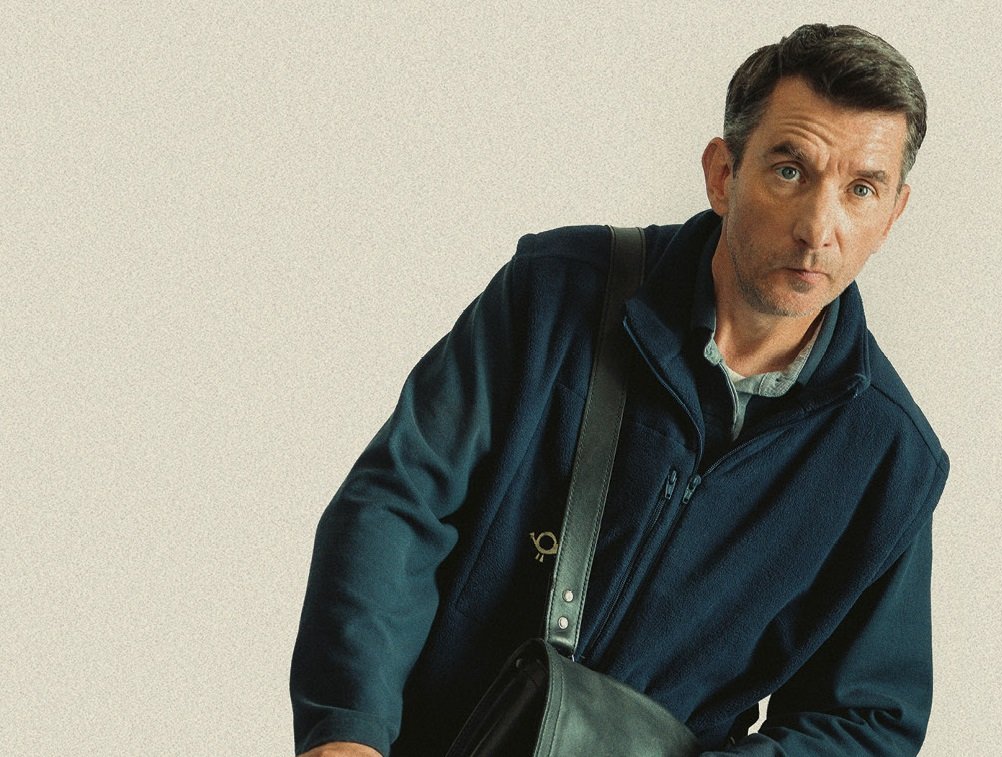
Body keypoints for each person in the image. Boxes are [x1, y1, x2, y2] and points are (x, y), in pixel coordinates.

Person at [292, 23, 949, 757]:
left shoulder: (889, 455)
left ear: (893, 214)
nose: (818, 228)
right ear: (723, 174)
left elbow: (865, 720)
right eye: (791, 171)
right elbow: (398, 504)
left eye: (861, 189)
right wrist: (347, 727)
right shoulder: (555, 290)